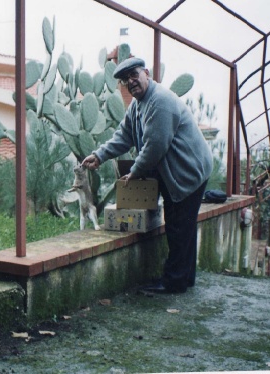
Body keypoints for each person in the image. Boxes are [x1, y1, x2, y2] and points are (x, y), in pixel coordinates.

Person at [82, 57, 213, 294]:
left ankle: (174, 283)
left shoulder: (160, 101)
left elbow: (155, 146)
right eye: (125, 80)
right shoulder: (138, 104)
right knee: (183, 226)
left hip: (188, 172)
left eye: (134, 75)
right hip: (181, 169)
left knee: (177, 227)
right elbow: (124, 136)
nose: (130, 82)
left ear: (146, 73)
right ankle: (185, 278)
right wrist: (99, 155)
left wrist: (135, 172)